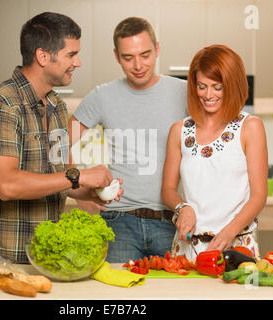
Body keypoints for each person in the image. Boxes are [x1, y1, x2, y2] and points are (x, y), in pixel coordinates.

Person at [0, 12, 121, 264]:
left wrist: (90, 191)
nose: (78, 62)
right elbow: (7, 186)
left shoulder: (57, 106)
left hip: (48, 254)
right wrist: (81, 176)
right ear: (43, 56)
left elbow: (61, 177)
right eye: (71, 54)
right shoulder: (1, 104)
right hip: (7, 255)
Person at [68, 17, 188, 262]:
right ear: (116, 56)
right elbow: (57, 144)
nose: (138, 65)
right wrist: (78, 192)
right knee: (117, 295)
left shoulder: (184, 93)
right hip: (119, 221)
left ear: (157, 49)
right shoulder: (102, 96)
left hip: (172, 221)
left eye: (145, 54)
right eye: (128, 57)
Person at [161, 44, 268, 260]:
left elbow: (259, 195)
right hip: (187, 249)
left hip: (236, 246)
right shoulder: (179, 130)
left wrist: (229, 232)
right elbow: (167, 189)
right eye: (202, 86)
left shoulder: (250, 127)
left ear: (233, 85)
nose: (208, 95)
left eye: (217, 87)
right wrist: (182, 207)